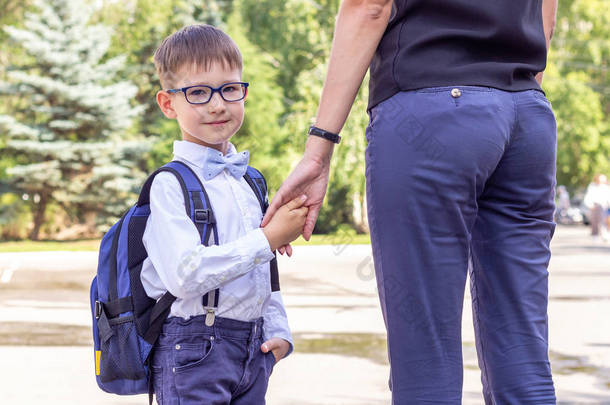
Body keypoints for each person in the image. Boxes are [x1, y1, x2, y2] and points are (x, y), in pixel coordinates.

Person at [263, 0, 559, 403]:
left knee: (426, 355)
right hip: (526, 114)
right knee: (521, 343)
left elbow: (370, 6)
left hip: (431, 108)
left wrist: (319, 150)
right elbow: (547, 17)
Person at [141, 24, 307, 404]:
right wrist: (267, 238)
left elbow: (265, 271)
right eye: (198, 92)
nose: (218, 104)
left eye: (230, 89)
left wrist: (279, 331)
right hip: (192, 350)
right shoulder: (170, 184)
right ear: (168, 104)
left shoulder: (249, 181)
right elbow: (186, 274)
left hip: (253, 349)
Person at [584, 174, 610, 241]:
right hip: (595, 206)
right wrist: (590, 205)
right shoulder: (592, 186)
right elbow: (588, 196)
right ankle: (595, 235)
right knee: (594, 221)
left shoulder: (606, 187)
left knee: (604, 221)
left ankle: (604, 234)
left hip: (604, 206)